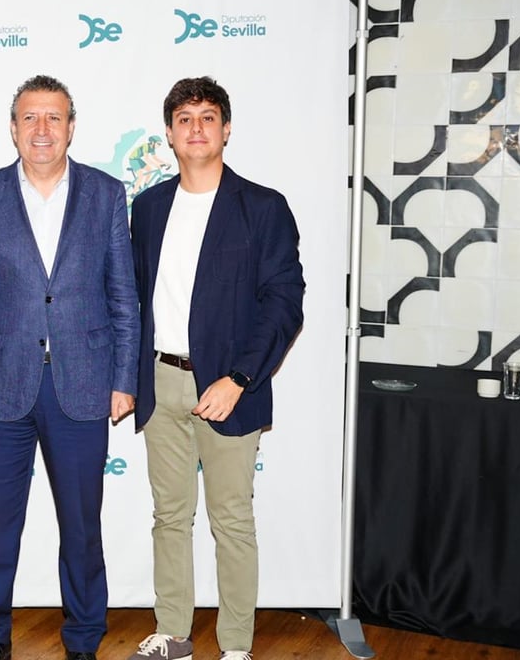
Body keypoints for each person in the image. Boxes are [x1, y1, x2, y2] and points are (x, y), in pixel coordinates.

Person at [0, 75, 140, 660]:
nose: (42, 129)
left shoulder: (106, 194)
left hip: (83, 385)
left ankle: (83, 639)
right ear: (13, 129)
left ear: (71, 127)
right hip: (0, 385)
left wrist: (124, 379)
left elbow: (123, 296)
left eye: (54, 117)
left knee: (81, 527)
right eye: (30, 117)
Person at [125, 77, 305, 660]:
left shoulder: (263, 207)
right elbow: (132, 297)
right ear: (170, 133)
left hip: (230, 387)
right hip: (160, 382)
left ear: (226, 129)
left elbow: (284, 303)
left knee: (231, 520)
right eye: (184, 118)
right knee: (169, 517)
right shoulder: (149, 208)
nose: (196, 128)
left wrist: (241, 378)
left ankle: (235, 648)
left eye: (207, 117)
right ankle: (173, 634)